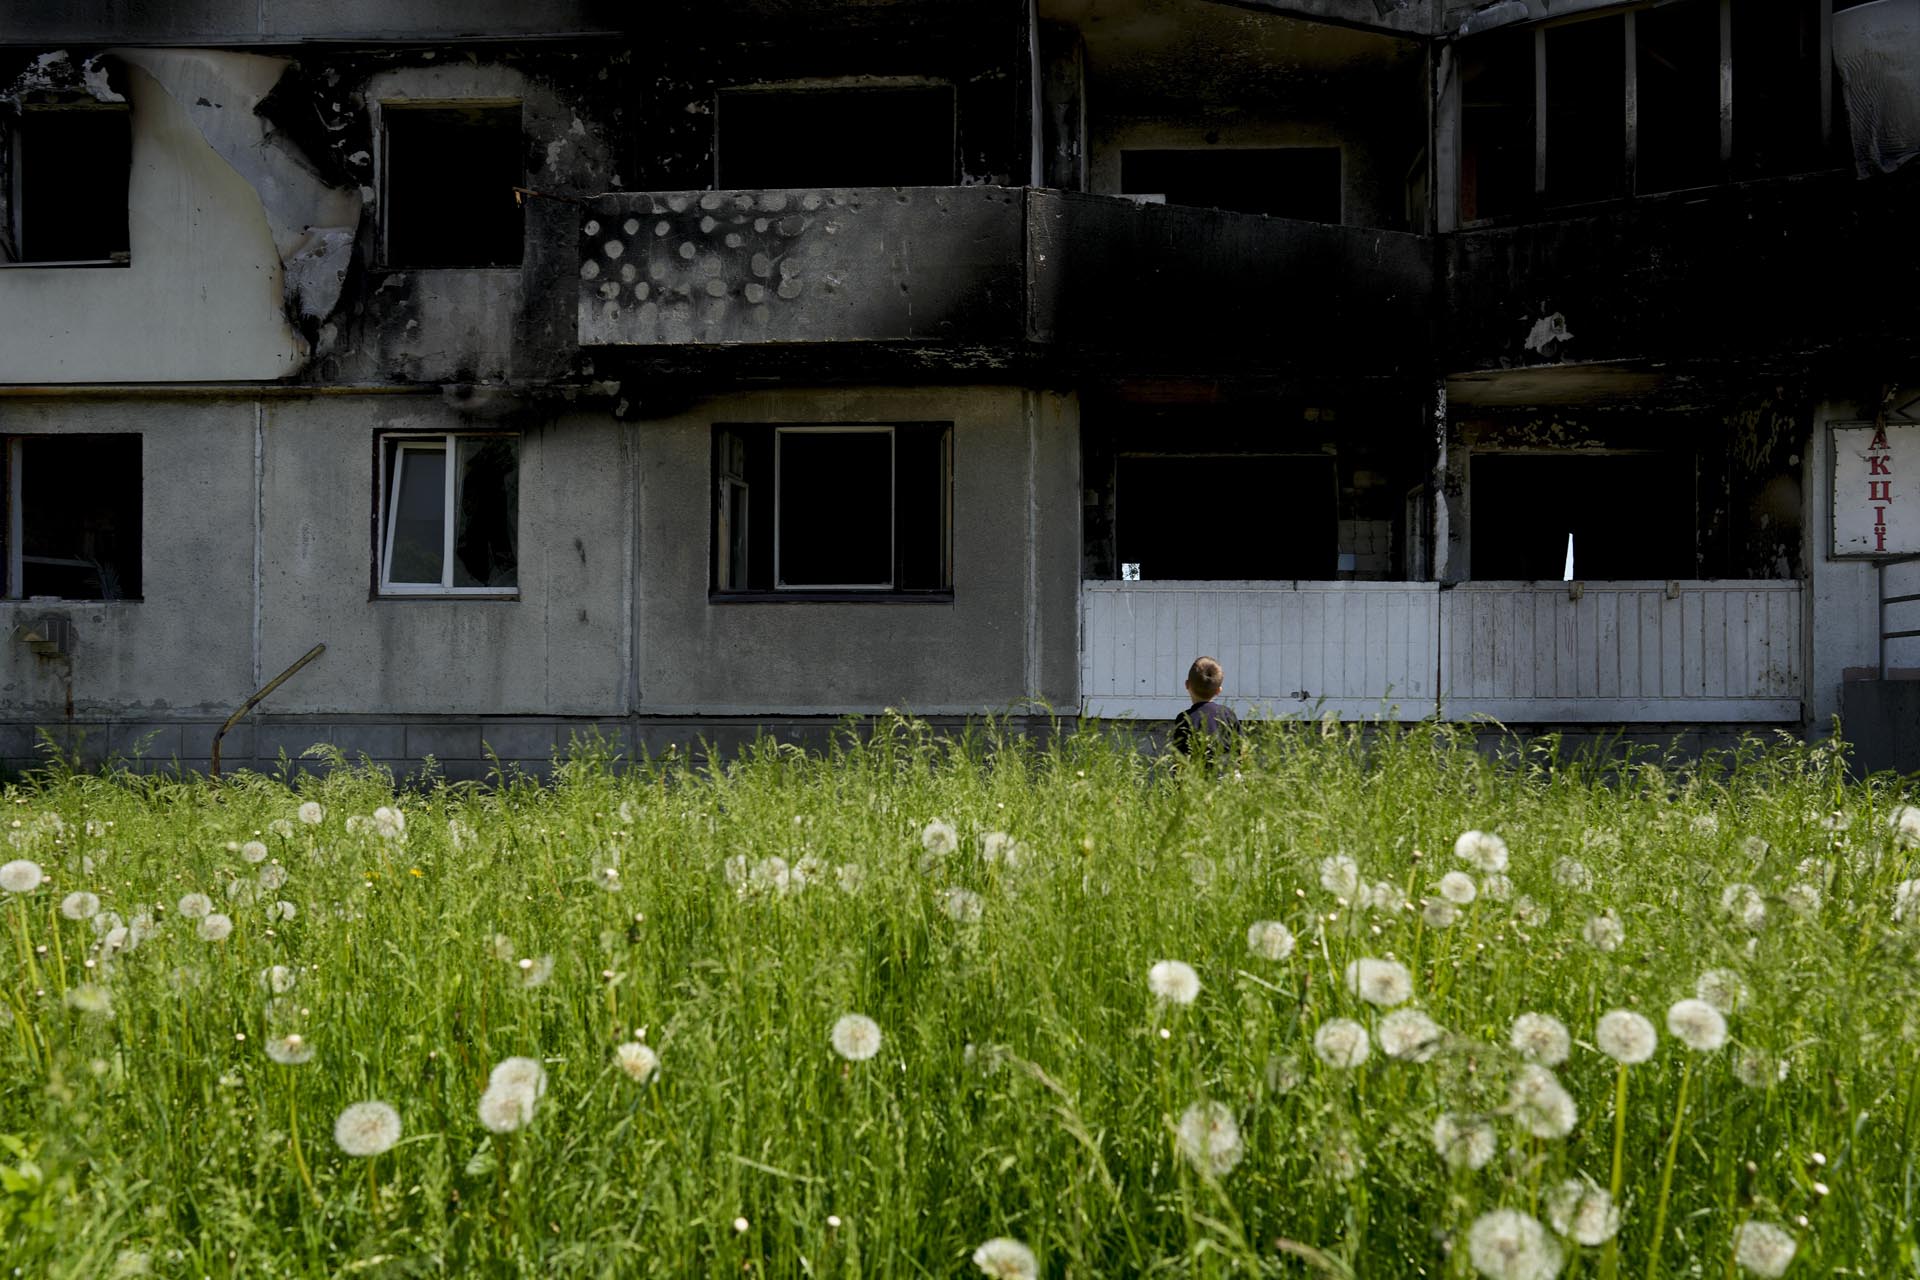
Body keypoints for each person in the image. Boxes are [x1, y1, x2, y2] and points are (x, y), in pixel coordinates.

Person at [1169, 656, 1239, 763]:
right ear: (1218, 691)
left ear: (1187, 685)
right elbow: (1240, 751)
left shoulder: (1185, 718)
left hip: (1197, 776)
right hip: (1226, 776)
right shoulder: (1228, 715)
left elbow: (1180, 759)